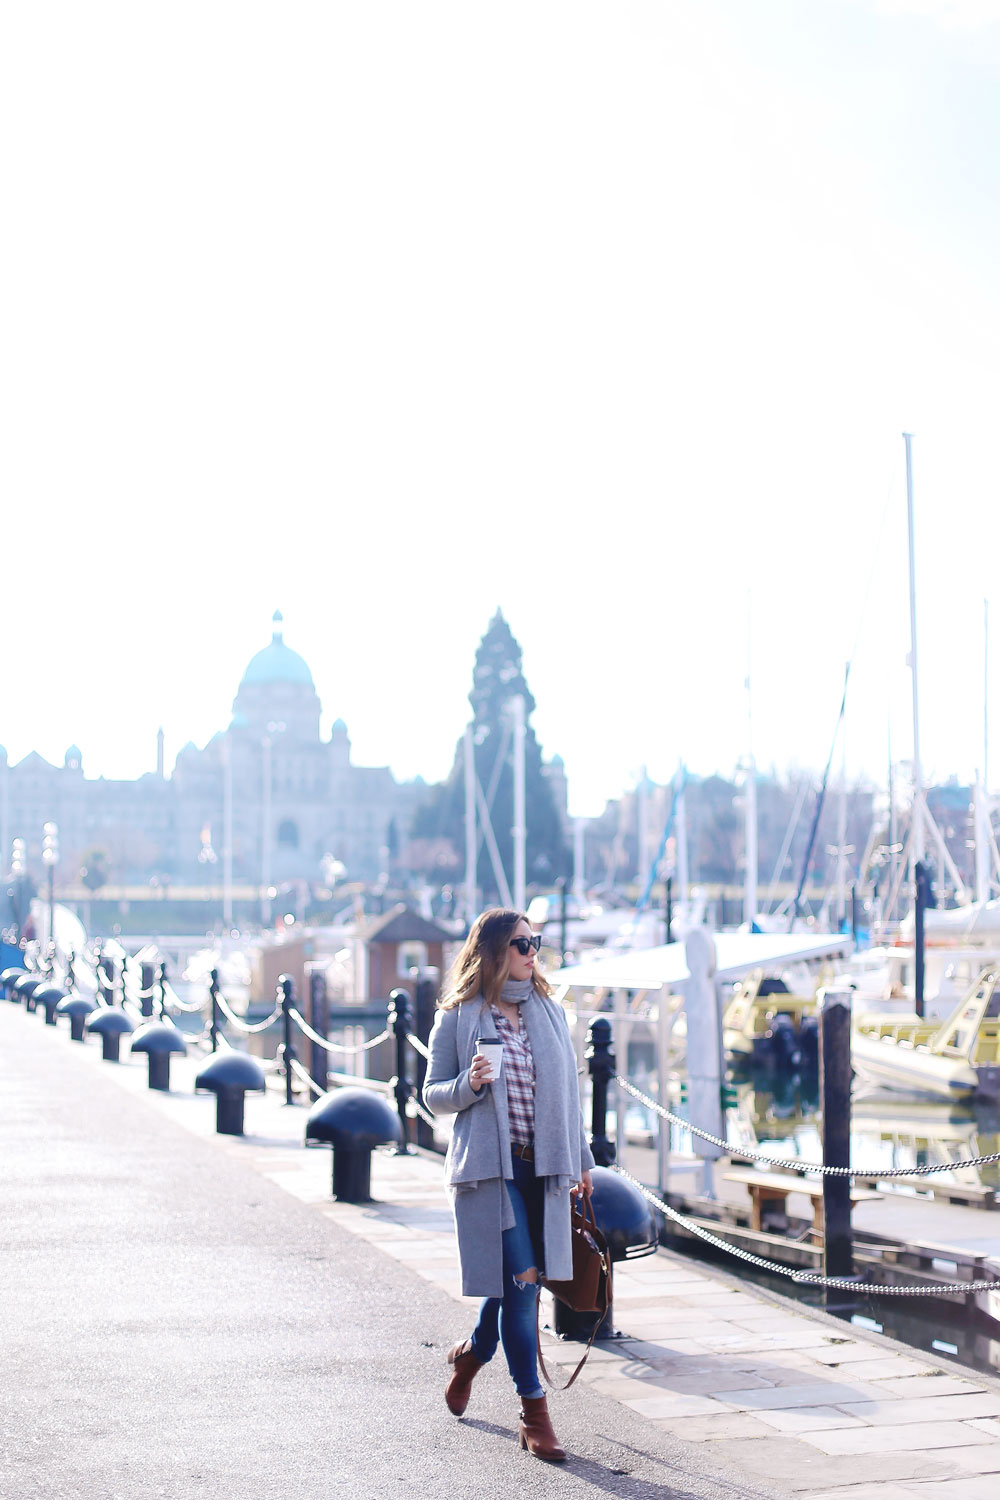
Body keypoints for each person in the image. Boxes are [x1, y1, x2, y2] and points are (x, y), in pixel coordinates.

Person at [423, 907, 595, 1463]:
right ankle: (534, 1413)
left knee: (512, 1293)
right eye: (521, 944)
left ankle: (473, 1354)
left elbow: (570, 1097)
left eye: (535, 942)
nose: (531, 952)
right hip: (490, 1173)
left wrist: (582, 1162)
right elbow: (433, 1094)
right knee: (522, 1285)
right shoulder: (459, 1017)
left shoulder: (548, 1011)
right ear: (494, 950)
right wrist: (469, 1083)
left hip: (541, 1170)